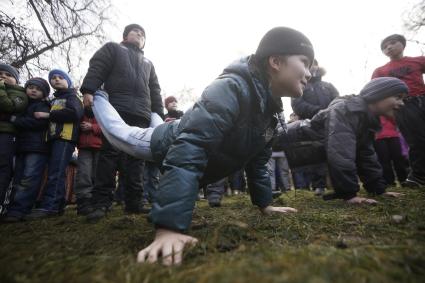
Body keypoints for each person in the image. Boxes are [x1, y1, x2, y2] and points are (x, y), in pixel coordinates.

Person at [92, 27, 314, 265]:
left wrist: (265, 204)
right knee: (118, 131)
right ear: (276, 61)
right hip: (167, 142)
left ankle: (151, 116)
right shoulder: (231, 88)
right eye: (305, 62)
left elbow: (259, 163)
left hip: (183, 129)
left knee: (153, 121)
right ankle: (98, 96)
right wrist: (170, 228)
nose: (309, 73)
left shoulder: (270, 113)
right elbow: (190, 147)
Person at [80, 24, 164, 221]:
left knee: (137, 160)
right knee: (109, 155)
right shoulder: (114, 49)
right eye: (136, 31)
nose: (140, 34)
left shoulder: (148, 63)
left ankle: (134, 203)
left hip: (142, 115)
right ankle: (102, 202)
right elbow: (98, 67)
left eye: (143, 34)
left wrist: (158, 114)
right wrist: (88, 90)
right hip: (116, 110)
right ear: (126, 35)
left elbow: (155, 91)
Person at [281, 77, 407, 204]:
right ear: (378, 95)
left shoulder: (365, 118)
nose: (402, 103)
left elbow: (365, 155)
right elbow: (341, 154)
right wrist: (349, 194)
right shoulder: (346, 111)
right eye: (398, 97)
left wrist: (378, 190)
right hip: (283, 137)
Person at [26, 69, 83, 219]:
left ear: (67, 81)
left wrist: (48, 114)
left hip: (65, 138)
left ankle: (49, 206)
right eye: (53, 78)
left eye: (60, 77)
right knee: (54, 172)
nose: (56, 80)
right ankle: (56, 206)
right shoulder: (52, 100)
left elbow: (74, 114)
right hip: (52, 139)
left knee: (56, 172)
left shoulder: (72, 97)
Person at [372, 34, 425, 187]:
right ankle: (418, 176)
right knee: (417, 140)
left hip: (422, 98)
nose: (388, 47)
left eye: (393, 43)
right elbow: (375, 91)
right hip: (404, 105)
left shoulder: (418, 60)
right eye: (385, 47)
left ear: (402, 44)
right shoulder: (381, 71)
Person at [3, 78, 50, 222]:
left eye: (38, 89)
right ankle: (12, 209)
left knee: (29, 178)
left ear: (44, 93)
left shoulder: (43, 106)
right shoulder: (23, 105)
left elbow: (39, 124)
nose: (34, 90)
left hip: (37, 147)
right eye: (31, 87)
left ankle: (20, 209)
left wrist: (15, 120)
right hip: (21, 147)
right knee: (18, 178)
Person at [291, 59, 339, 195]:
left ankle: (338, 184)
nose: (312, 68)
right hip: (311, 124)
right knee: (315, 153)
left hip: (332, 123)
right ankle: (319, 186)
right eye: (308, 65)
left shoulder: (328, 85)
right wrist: (319, 111)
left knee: (335, 152)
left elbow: (338, 101)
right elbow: (297, 105)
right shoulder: (300, 85)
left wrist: (330, 112)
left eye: (314, 64)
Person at [0, 63, 28, 213]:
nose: (3, 76)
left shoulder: (20, 94)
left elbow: (9, 107)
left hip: (7, 134)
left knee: (3, 167)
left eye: (8, 75)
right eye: (1, 73)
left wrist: (1, 89)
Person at [74, 106, 102, 215]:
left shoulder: (103, 110)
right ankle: (83, 202)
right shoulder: (81, 110)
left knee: (97, 174)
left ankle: (96, 201)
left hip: (100, 147)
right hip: (84, 147)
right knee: (83, 174)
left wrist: (93, 127)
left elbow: (109, 126)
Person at [374, 116, 407, 186]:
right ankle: (389, 182)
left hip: (394, 136)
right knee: (384, 161)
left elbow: (398, 122)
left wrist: (389, 115)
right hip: (379, 137)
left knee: (399, 159)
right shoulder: (374, 110)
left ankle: (404, 180)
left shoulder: (389, 109)